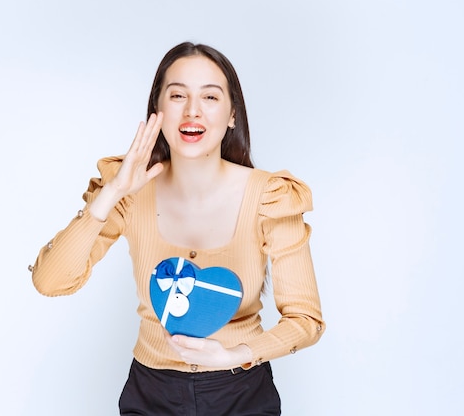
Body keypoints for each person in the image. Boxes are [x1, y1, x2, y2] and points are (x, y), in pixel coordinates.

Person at [29, 41, 325, 415]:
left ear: (233, 114)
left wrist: (237, 354)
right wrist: (111, 193)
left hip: (243, 392)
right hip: (151, 393)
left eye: (211, 97)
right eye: (178, 95)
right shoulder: (130, 190)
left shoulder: (271, 195)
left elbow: (305, 320)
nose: (192, 111)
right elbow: (50, 282)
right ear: (158, 111)